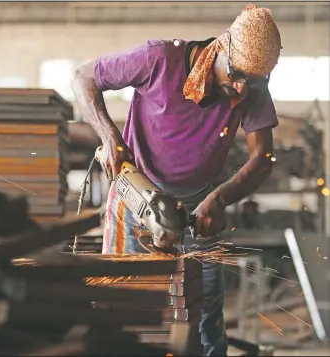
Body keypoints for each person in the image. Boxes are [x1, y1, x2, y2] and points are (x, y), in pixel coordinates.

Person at [73, 3, 282, 356]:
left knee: (203, 316)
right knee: (123, 303)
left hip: (200, 207)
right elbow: (83, 76)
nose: (241, 88)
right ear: (221, 47)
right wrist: (110, 138)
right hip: (136, 200)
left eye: (253, 81)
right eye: (236, 75)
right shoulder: (158, 60)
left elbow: (263, 158)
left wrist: (220, 198)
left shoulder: (251, 86)